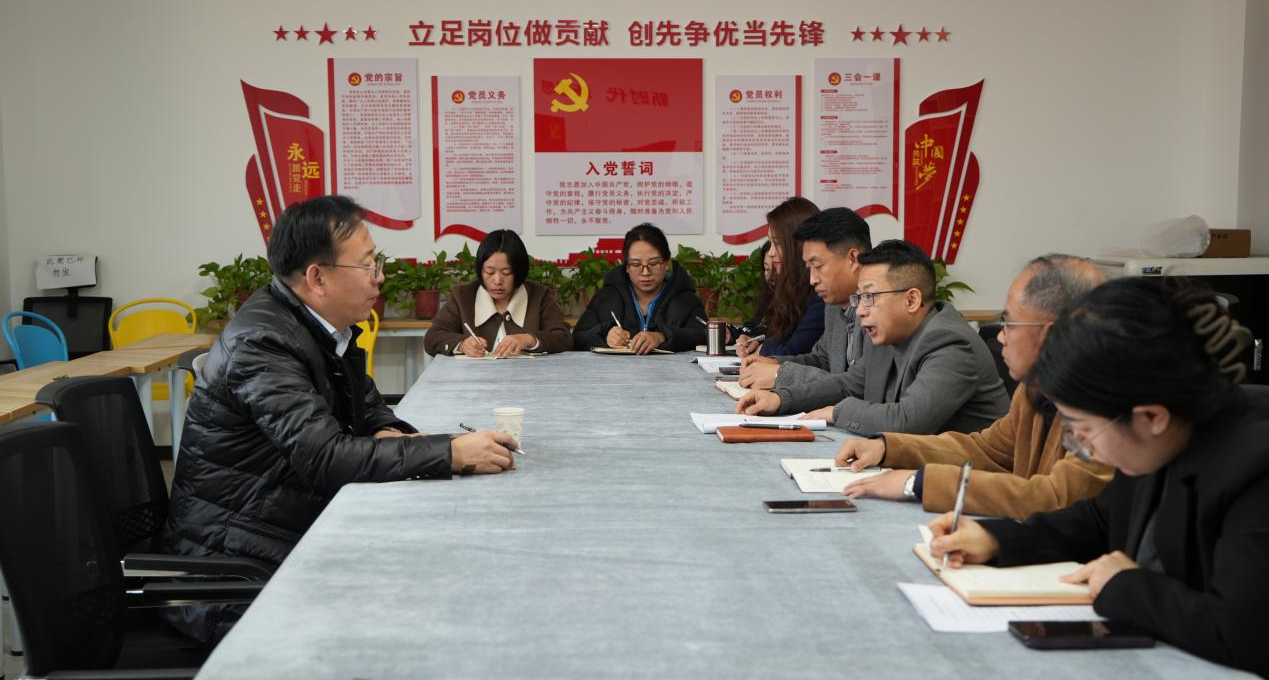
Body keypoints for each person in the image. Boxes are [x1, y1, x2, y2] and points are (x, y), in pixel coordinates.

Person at [163, 195, 518, 643]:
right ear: (317, 278)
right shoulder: (262, 342)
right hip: (234, 570)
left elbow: (365, 404)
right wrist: (449, 453)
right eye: (368, 265)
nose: (379, 276)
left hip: (283, 528)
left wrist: (388, 431)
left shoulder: (320, 328)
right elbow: (325, 456)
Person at [928, 277, 1267, 675]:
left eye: (1083, 429)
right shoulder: (1160, 434)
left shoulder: (1255, 468)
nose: (1080, 445)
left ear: (1151, 417)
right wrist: (997, 539)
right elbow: (1096, 520)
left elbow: (1242, 633)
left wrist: (1126, 586)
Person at [835, 255, 1113, 518]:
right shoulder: (1034, 390)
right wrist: (888, 448)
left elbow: (1054, 498)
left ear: (1052, 334)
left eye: (1009, 323)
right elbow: (986, 450)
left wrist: (918, 482)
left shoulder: (1107, 404)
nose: (1001, 337)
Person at [737, 239, 1010, 435]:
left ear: (912, 300)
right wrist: (782, 399)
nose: (860, 311)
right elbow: (849, 385)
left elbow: (907, 421)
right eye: (859, 298)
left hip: (969, 483)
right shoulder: (891, 333)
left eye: (869, 297)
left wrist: (837, 412)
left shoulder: (950, 343)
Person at [738, 207, 871, 389]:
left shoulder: (879, 308)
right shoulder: (835, 305)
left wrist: (779, 374)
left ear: (853, 258)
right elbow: (821, 360)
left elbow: (860, 385)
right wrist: (773, 362)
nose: (812, 280)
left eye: (818, 266)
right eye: (809, 268)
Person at [423, 230, 572, 358]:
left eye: (506, 272)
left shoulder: (540, 296)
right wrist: (462, 344)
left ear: (519, 272)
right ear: (480, 270)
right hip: (474, 379)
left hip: (527, 379)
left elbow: (564, 338)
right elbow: (432, 337)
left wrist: (528, 339)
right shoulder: (463, 296)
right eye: (489, 271)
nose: (497, 281)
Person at [572, 223, 707, 354]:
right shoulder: (606, 298)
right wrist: (604, 335)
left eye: (653, 263)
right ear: (626, 266)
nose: (645, 273)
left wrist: (663, 336)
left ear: (666, 263)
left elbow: (703, 335)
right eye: (636, 265)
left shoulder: (685, 299)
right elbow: (577, 339)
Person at [735, 197, 826, 359]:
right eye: (770, 243)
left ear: (798, 245)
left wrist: (763, 349)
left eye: (777, 243)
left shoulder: (822, 293)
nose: (770, 253)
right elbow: (778, 339)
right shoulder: (790, 288)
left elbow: (791, 351)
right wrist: (757, 342)